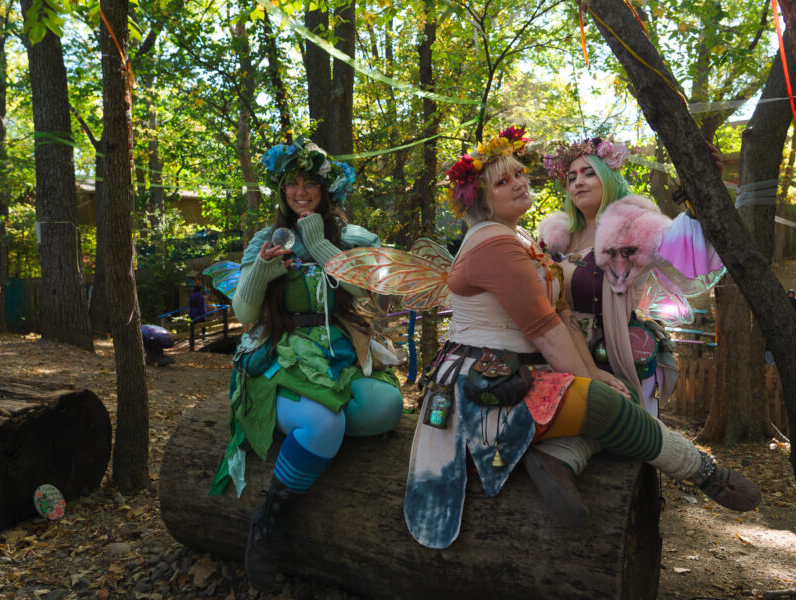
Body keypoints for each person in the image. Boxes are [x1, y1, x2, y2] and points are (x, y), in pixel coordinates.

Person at [403, 127, 760, 550]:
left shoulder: (631, 229)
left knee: (620, 396)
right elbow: (544, 325)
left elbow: (562, 310)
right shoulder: (531, 239)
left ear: (609, 176)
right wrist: (587, 377)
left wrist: (703, 193)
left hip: (595, 350)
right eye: (503, 181)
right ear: (481, 200)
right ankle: (700, 471)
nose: (520, 182)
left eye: (520, 173)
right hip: (493, 377)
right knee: (607, 404)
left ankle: (561, 460)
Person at [209, 136, 404, 589]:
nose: (300, 192)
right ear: (281, 189)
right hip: (283, 353)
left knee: (386, 408)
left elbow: (365, 290)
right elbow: (244, 313)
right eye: (292, 183)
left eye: (310, 184)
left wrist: (318, 245)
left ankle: (308, 434)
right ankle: (268, 522)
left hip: (342, 351)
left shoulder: (352, 237)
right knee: (325, 425)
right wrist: (263, 269)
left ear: (326, 189)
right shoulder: (266, 238)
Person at [539, 137, 725, 419]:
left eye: (590, 173)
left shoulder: (638, 231)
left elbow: (689, 255)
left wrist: (703, 185)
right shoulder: (553, 241)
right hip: (555, 358)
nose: (578, 182)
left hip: (611, 359)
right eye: (571, 177)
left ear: (609, 179)